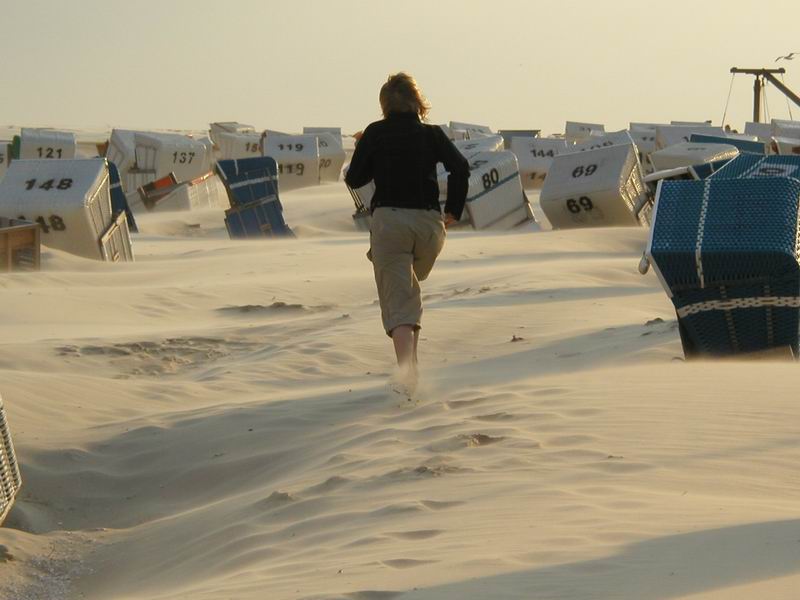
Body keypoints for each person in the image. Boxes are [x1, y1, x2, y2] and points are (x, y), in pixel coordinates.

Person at [345, 72, 470, 393]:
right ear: (418, 103)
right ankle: (410, 366)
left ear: (384, 105)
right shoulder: (432, 134)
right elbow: (461, 167)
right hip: (429, 226)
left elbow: (355, 178)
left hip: (391, 222)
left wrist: (368, 150)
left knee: (400, 300)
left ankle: (406, 375)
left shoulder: (375, 133)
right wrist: (453, 209)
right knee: (409, 292)